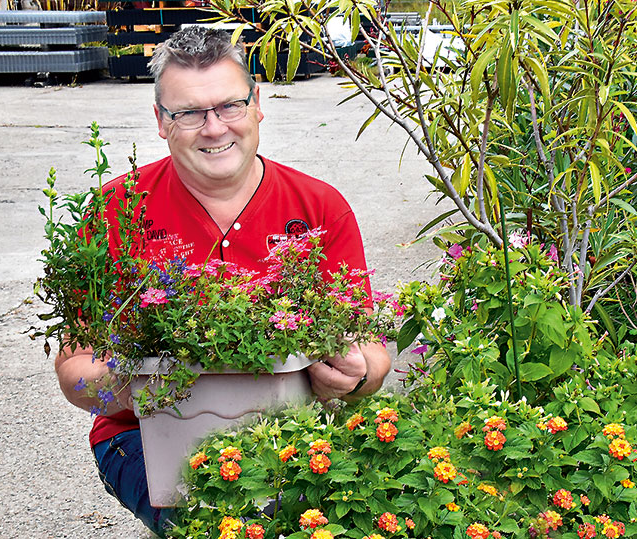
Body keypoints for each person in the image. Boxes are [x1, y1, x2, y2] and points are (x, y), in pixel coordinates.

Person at [53, 26, 391, 537]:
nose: (214, 128)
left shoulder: (319, 207)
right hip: (143, 436)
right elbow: (75, 372)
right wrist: (140, 383)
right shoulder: (115, 212)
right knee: (213, 525)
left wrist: (355, 376)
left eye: (229, 106)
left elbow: (372, 353)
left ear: (257, 105)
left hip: (293, 433)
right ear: (161, 122)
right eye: (188, 113)